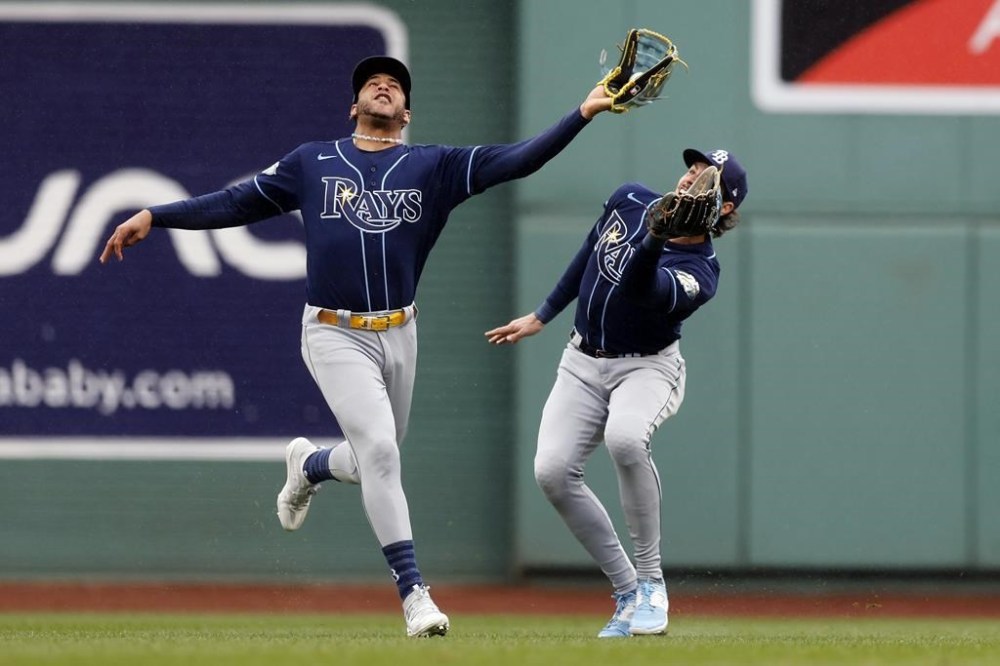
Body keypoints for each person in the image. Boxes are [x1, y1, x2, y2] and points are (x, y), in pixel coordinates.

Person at [99, 55, 614, 637]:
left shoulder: (434, 165)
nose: (384, 84)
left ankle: (311, 464)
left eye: (395, 83)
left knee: (376, 454)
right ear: (355, 106)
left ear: (406, 111)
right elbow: (238, 201)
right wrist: (156, 215)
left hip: (400, 330)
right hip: (333, 330)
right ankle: (415, 593)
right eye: (372, 81)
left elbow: (519, 159)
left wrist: (583, 113)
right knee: (382, 453)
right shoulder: (312, 161)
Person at [485, 148, 748, 638]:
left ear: (725, 209)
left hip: (647, 368)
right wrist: (542, 314)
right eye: (693, 168)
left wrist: (653, 238)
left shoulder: (701, 272)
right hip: (582, 360)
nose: (692, 177)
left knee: (626, 439)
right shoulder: (630, 199)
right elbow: (589, 252)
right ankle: (627, 591)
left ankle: (652, 583)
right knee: (552, 472)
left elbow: (637, 290)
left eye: (707, 179)